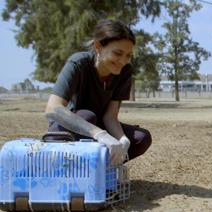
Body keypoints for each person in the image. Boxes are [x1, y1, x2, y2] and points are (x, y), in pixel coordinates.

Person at [44, 19, 152, 165]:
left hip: (98, 126)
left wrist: (122, 139)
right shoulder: (78, 63)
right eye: (118, 53)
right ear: (98, 46)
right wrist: (99, 134)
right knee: (87, 115)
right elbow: (52, 109)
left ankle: (103, 170)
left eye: (128, 55)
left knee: (141, 137)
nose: (123, 60)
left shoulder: (124, 71)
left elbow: (110, 116)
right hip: (68, 130)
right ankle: (66, 168)